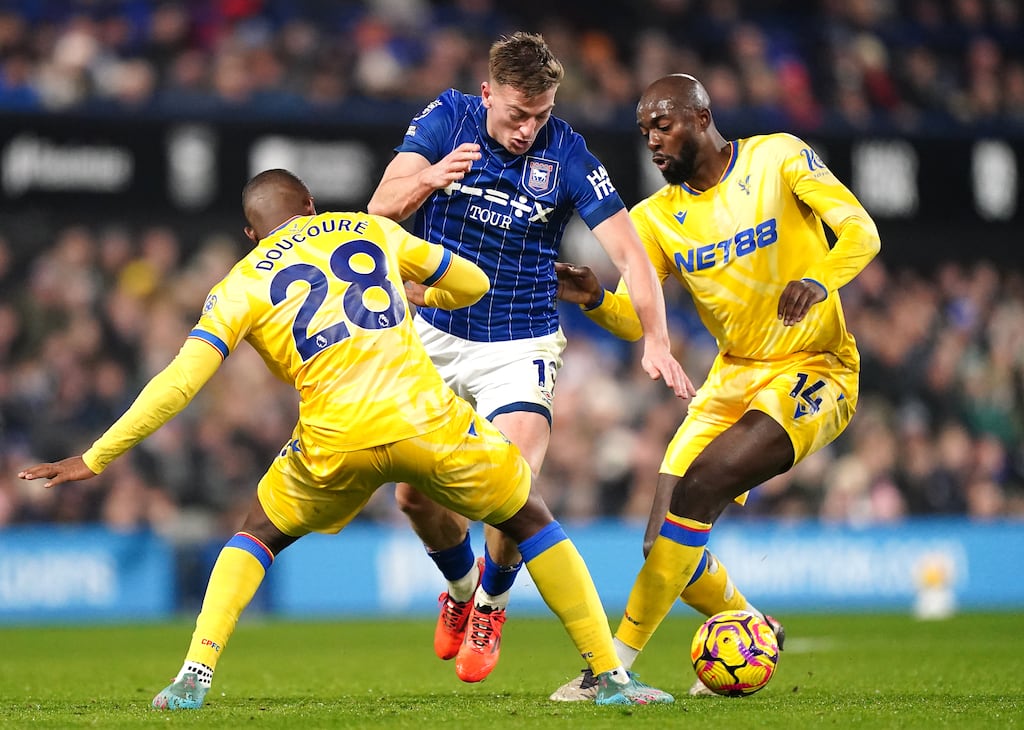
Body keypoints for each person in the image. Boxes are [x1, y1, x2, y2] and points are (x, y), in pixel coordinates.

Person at [17, 169, 675, 709]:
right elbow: (474, 282)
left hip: (333, 440)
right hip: (424, 420)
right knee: (529, 518)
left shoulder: (239, 283)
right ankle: (609, 676)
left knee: (256, 534)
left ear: (251, 233)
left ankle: (194, 674)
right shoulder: (368, 229)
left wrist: (96, 457)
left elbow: (179, 383)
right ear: (310, 204)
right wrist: (422, 297)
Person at [366, 31, 692, 684]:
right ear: (488, 93)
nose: (527, 130)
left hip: (521, 339)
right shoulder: (447, 118)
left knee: (511, 483)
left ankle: (491, 604)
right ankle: (460, 589)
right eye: (517, 114)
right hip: (433, 331)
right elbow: (380, 208)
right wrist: (430, 176)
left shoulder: (567, 153)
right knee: (412, 497)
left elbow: (631, 254)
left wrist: (655, 337)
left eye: (540, 115)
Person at [549, 73, 881, 700]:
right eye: (644, 130)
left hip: (816, 365)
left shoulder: (777, 157)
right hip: (733, 375)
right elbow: (637, 319)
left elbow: (862, 231)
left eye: (663, 125)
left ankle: (610, 668)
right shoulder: (655, 218)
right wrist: (594, 299)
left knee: (700, 486)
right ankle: (755, 628)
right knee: (661, 543)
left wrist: (820, 280)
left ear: (701, 118)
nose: (652, 140)